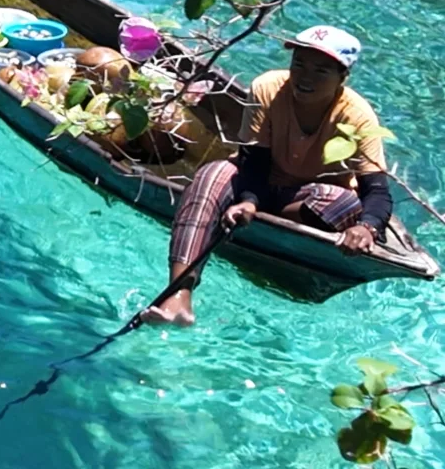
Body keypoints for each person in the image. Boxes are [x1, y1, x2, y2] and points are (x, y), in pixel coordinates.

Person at [146, 26, 394, 326]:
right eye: (299, 64)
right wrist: (250, 199)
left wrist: (367, 228)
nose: (305, 77)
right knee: (213, 173)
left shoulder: (358, 115)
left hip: (307, 203)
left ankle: (251, 226)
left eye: (321, 70)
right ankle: (179, 294)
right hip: (259, 181)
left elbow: (376, 191)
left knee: (344, 204)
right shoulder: (267, 87)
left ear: (342, 77)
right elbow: (253, 160)